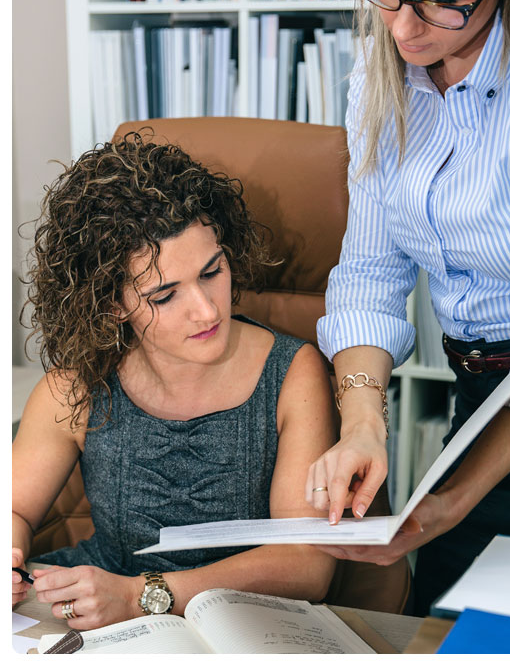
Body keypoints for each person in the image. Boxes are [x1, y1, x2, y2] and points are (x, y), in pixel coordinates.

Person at [306, 0, 510, 615]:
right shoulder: (384, 64)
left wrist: (444, 503)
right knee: (440, 627)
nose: (403, 29)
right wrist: (364, 422)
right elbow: (368, 272)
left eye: (441, 1)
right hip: (479, 408)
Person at [13, 134, 337, 630]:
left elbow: (308, 565)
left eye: (212, 272)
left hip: (243, 624)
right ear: (113, 304)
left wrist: (142, 596)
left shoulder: (294, 373)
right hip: (100, 624)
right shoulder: (77, 385)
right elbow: (13, 509)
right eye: (164, 296)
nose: (207, 310)